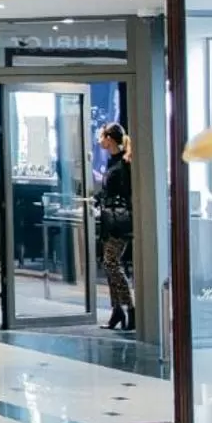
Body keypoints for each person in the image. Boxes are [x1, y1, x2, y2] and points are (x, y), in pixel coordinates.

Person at [96, 123, 134, 330]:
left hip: (118, 221)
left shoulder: (122, 164)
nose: (99, 140)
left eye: (102, 136)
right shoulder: (114, 162)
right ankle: (117, 309)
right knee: (109, 263)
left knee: (112, 263)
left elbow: (124, 193)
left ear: (109, 138)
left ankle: (129, 306)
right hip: (110, 219)